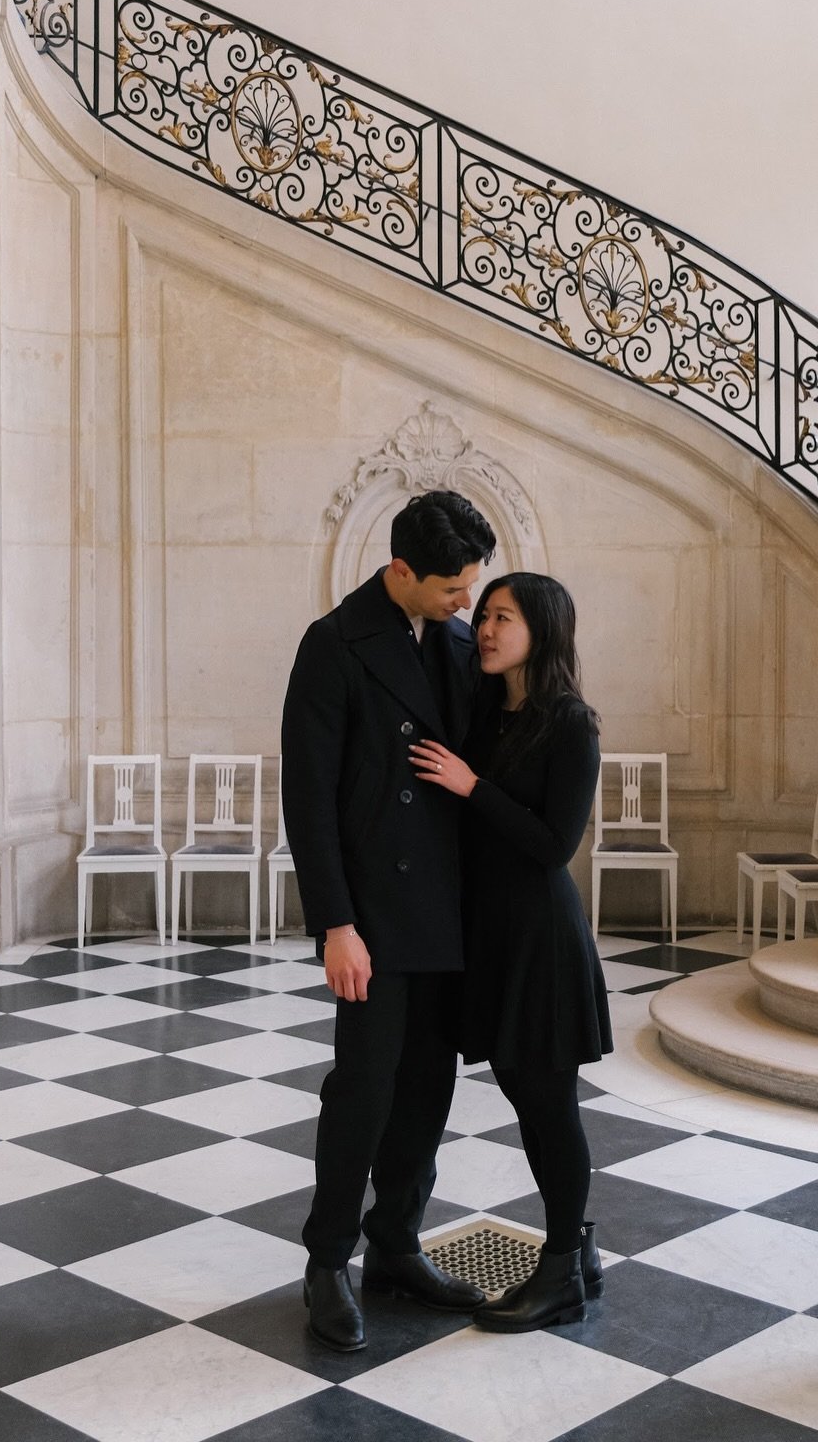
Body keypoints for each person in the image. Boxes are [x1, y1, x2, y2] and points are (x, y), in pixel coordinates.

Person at [281, 488, 498, 1352]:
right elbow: (310, 800)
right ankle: (327, 1259)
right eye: (452, 588)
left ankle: (398, 1245)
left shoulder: (452, 643)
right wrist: (336, 924)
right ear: (402, 571)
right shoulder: (333, 646)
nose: (466, 605)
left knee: (427, 1093)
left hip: (447, 913)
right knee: (362, 1094)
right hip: (373, 917)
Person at [409, 571, 612, 1334]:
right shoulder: (492, 715)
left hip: (542, 935)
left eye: (503, 618)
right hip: (493, 935)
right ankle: (577, 1252)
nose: (486, 630)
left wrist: (472, 788)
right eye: (485, 616)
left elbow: (554, 845)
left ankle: (560, 1270)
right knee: (528, 1098)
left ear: (543, 631)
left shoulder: (569, 723)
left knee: (547, 1104)